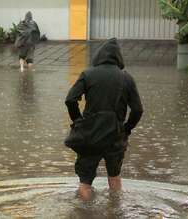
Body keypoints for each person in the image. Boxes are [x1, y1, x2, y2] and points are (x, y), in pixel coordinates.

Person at [65, 38, 143, 201]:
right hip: (115, 136)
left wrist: (79, 122)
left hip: (90, 135)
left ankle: (85, 213)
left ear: (99, 56)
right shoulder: (126, 78)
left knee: (85, 182)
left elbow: (71, 100)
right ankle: (114, 212)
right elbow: (137, 110)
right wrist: (126, 129)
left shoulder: (88, 74)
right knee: (114, 177)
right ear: (119, 58)